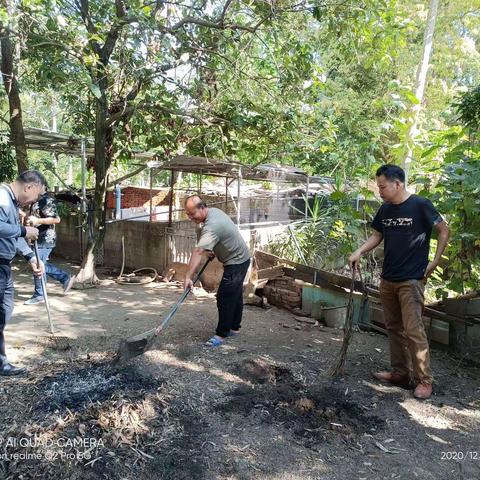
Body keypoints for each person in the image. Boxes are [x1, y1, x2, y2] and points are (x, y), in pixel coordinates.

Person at [348, 164, 449, 400]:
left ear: (397, 184)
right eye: (378, 187)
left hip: (411, 280)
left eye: (383, 187)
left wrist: (434, 262)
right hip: (388, 279)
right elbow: (377, 235)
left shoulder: (420, 205)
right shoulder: (385, 209)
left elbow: (444, 230)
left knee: (414, 330)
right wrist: (358, 252)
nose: (380, 191)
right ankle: (400, 373)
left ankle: (425, 380)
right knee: (393, 327)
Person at [184, 196, 251, 347]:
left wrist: (188, 276)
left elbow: (198, 251)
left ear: (202, 208)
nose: (189, 217)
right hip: (242, 257)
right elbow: (216, 239)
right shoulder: (213, 212)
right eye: (187, 214)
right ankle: (234, 327)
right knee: (235, 294)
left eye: (191, 213)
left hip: (236, 261)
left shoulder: (212, 225)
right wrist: (213, 249)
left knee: (224, 297)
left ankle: (221, 334)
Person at [0, 170, 46, 375]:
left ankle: (1, 362)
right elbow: (12, 231)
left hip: (5, 266)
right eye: (37, 195)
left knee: (4, 312)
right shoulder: (2, 197)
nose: (34, 201)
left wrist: (31, 257)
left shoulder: (10, 203)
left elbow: (12, 235)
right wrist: (23, 231)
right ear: (29, 187)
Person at [23, 192, 74, 305]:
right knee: (40, 264)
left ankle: (40, 294)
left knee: (38, 265)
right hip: (37, 237)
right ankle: (64, 278)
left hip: (45, 238)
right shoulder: (34, 201)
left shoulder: (45, 200)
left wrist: (38, 221)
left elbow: (56, 219)